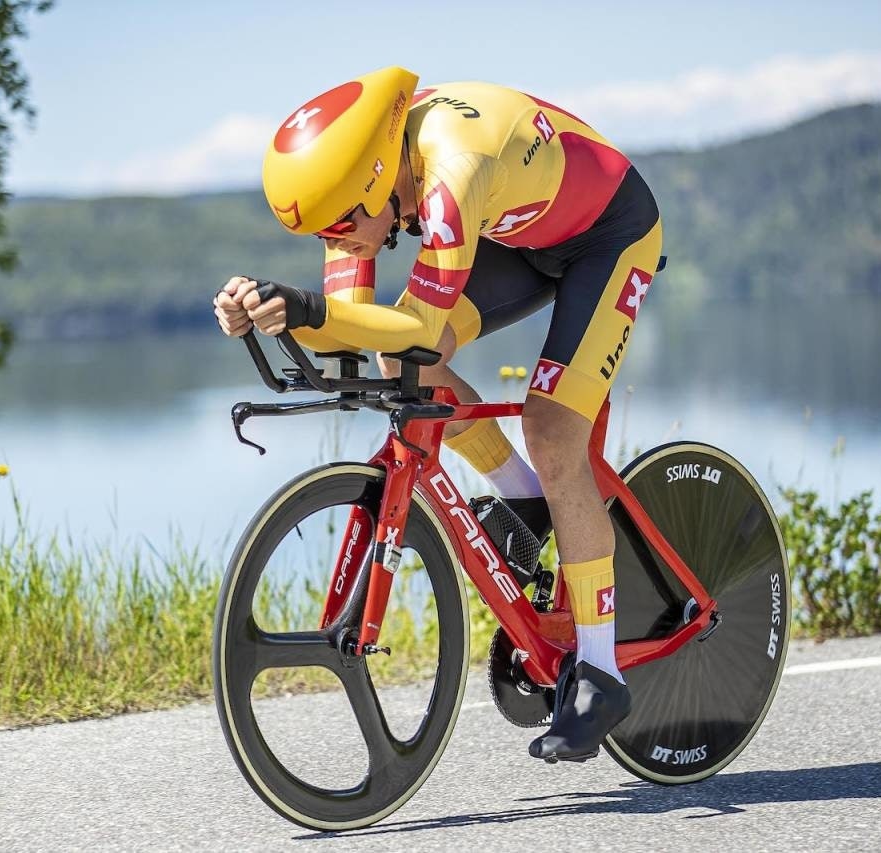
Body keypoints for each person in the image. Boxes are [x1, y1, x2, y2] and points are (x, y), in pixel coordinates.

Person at [213, 66, 662, 763]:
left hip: (610, 233)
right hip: (521, 237)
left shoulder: (452, 170)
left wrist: (308, 311)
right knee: (400, 364)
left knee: (552, 429)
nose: (343, 243)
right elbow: (360, 332)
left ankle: (600, 671)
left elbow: (415, 328)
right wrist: (269, 313)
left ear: (376, 180)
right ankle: (525, 498)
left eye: (344, 226)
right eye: (326, 234)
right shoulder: (359, 185)